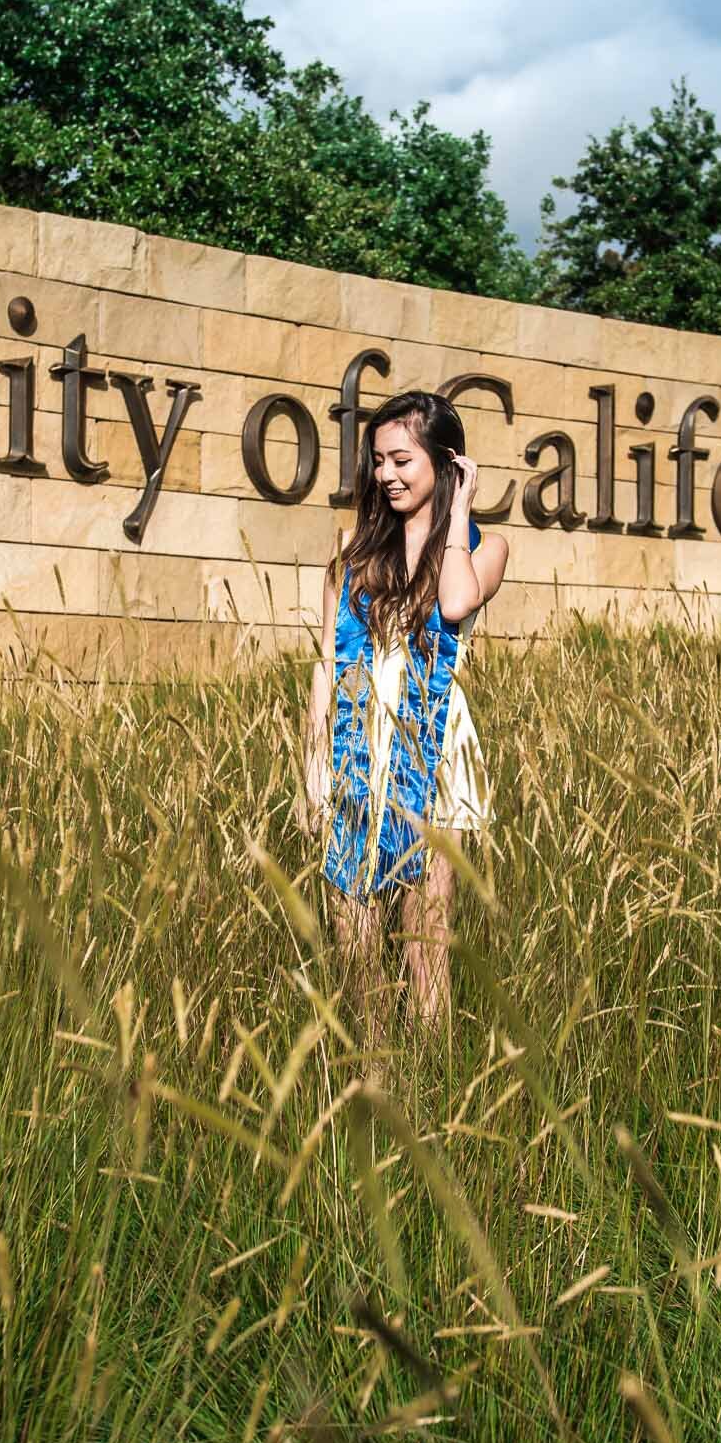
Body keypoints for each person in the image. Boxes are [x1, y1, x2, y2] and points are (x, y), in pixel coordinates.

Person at [300, 390, 510, 1068]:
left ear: (444, 463)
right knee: (353, 938)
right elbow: (328, 667)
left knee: (427, 944)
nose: (387, 473)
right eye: (378, 460)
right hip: (358, 749)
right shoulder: (354, 552)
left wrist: (461, 506)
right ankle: (375, 1077)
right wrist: (312, 772)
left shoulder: (486, 546)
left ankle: (431, 1090)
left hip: (435, 757)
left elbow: (455, 601)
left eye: (402, 459)